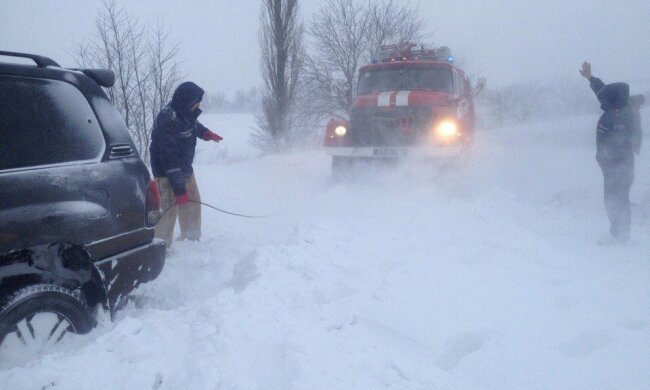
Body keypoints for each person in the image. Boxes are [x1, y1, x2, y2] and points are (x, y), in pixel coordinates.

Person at [149, 82, 223, 247]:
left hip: (184, 166)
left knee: (192, 201)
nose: (198, 104)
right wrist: (179, 189)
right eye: (196, 101)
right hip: (165, 171)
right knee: (169, 206)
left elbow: (192, 124)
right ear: (187, 102)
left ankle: (191, 239)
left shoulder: (184, 112)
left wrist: (205, 133)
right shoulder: (167, 120)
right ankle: (162, 245)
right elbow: (169, 159)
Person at [580, 62, 641, 244]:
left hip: (618, 167)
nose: (602, 98)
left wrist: (605, 158)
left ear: (614, 99)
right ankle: (620, 233)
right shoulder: (618, 109)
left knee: (617, 200)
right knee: (615, 200)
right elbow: (602, 92)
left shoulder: (621, 116)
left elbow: (619, 144)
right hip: (614, 167)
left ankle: (621, 236)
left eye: (608, 97)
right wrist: (591, 78)